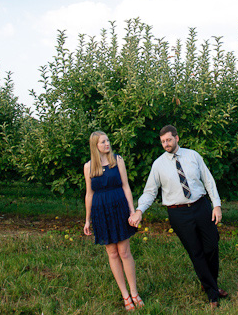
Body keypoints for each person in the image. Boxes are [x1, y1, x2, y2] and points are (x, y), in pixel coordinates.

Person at [128, 125, 228, 308]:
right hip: (178, 213)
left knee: (212, 245)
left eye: (169, 140)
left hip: (201, 207)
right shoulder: (158, 165)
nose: (166, 144)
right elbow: (150, 192)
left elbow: (208, 180)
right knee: (196, 252)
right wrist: (139, 210)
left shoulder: (193, 156)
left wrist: (217, 205)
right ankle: (213, 293)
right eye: (163, 142)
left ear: (177, 138)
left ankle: (210, 283)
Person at [83, 131, 144, 311]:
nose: (107, 144)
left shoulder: (117, 160)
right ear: (95, 145)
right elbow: (89, 194)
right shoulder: (88, 167)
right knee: (112, 253)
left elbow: (126, 186)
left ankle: (134, 292)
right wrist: (87, 220)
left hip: (119, 208)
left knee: (124, 252)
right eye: (103, 142)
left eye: (108, 140)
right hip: (100, 211)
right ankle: (125, 295)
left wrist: (132, 211)